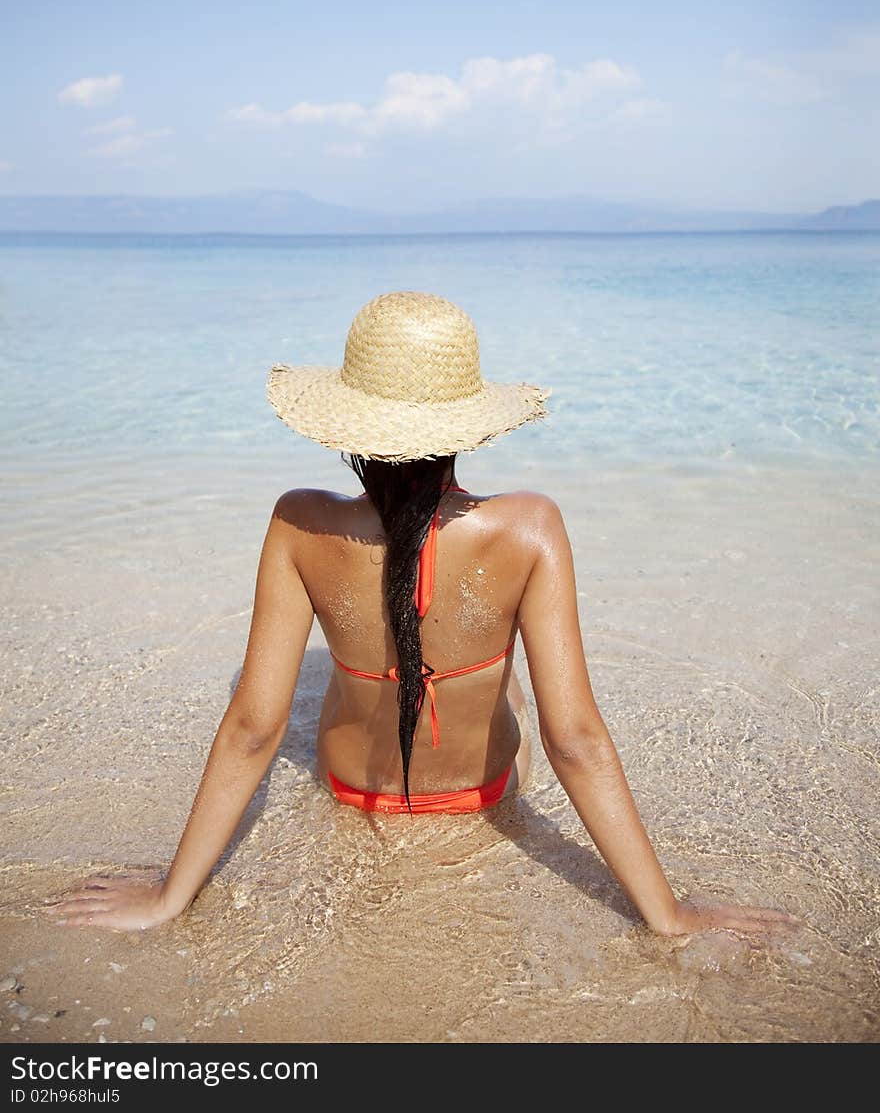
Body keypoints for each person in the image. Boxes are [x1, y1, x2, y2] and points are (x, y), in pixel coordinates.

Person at [45, 292, 795, 940]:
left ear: (350, 424)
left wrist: (171, 895)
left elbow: (253, 726)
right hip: (484, 793)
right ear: (469, 423)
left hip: (349, 790)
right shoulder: (530, 527)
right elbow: (576, 739)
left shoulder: (299, 524)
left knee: (337, 679)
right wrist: (668, 913)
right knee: (519, 693)